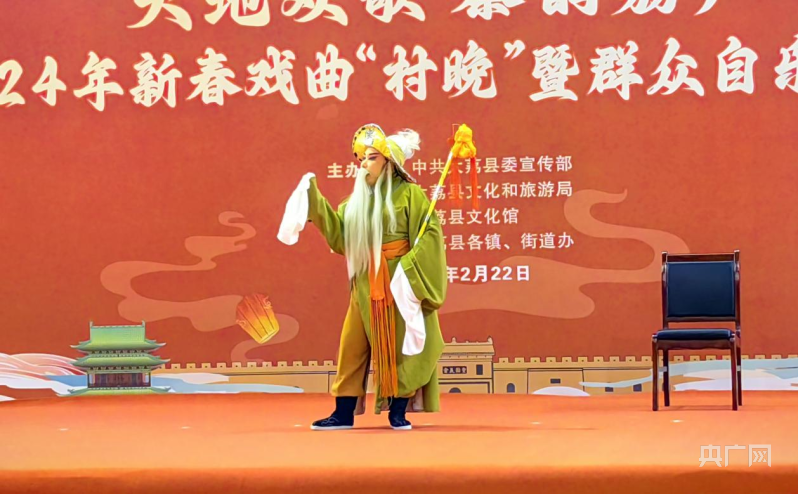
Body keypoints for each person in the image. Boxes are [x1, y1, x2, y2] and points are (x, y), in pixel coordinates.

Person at [277, 124, 448, 430]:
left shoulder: (412, 196)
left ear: (389, 161)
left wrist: (409, 268)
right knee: (352, 346)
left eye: (371, 157)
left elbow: (429, 238)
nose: (363, 164)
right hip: (366, 282)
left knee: (400, 346)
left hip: (399, 282)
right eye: (361, 158)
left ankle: (398, 410)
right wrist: (313, 199)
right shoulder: (354, 202)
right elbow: (341, 239)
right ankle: (343, 412)